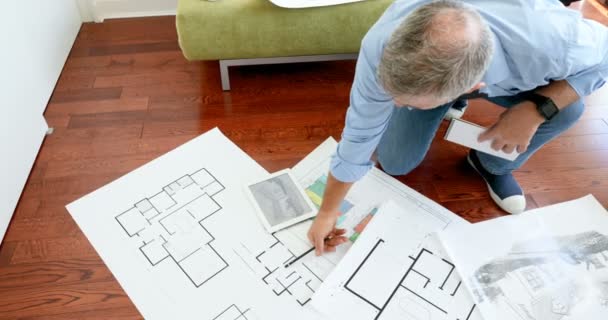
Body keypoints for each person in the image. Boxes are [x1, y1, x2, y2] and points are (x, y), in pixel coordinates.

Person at [307, 0, 608, 255]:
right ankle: (431, 105)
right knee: (396, 162)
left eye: (405, 101)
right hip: (454, 76)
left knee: (569, 110)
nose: (394, 104)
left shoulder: (558, 41)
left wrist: (538, 109)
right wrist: (328, 211)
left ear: (472, 88)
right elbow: (360, 133)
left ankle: (489, 164)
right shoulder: (381, 44)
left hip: (512, 65)